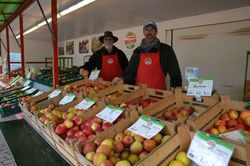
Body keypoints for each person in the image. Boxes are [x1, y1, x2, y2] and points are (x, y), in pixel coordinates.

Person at [113, 21, 182, 90]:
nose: (149, 32)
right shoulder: (137, 52)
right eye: (147, 30)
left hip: (159, 94)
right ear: (143, 32)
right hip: (139, 94)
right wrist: (122, 78)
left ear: (156, 32)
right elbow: (130, 71)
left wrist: (176, 88)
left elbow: (175, 72)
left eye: (152, 30)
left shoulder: (166, 50)